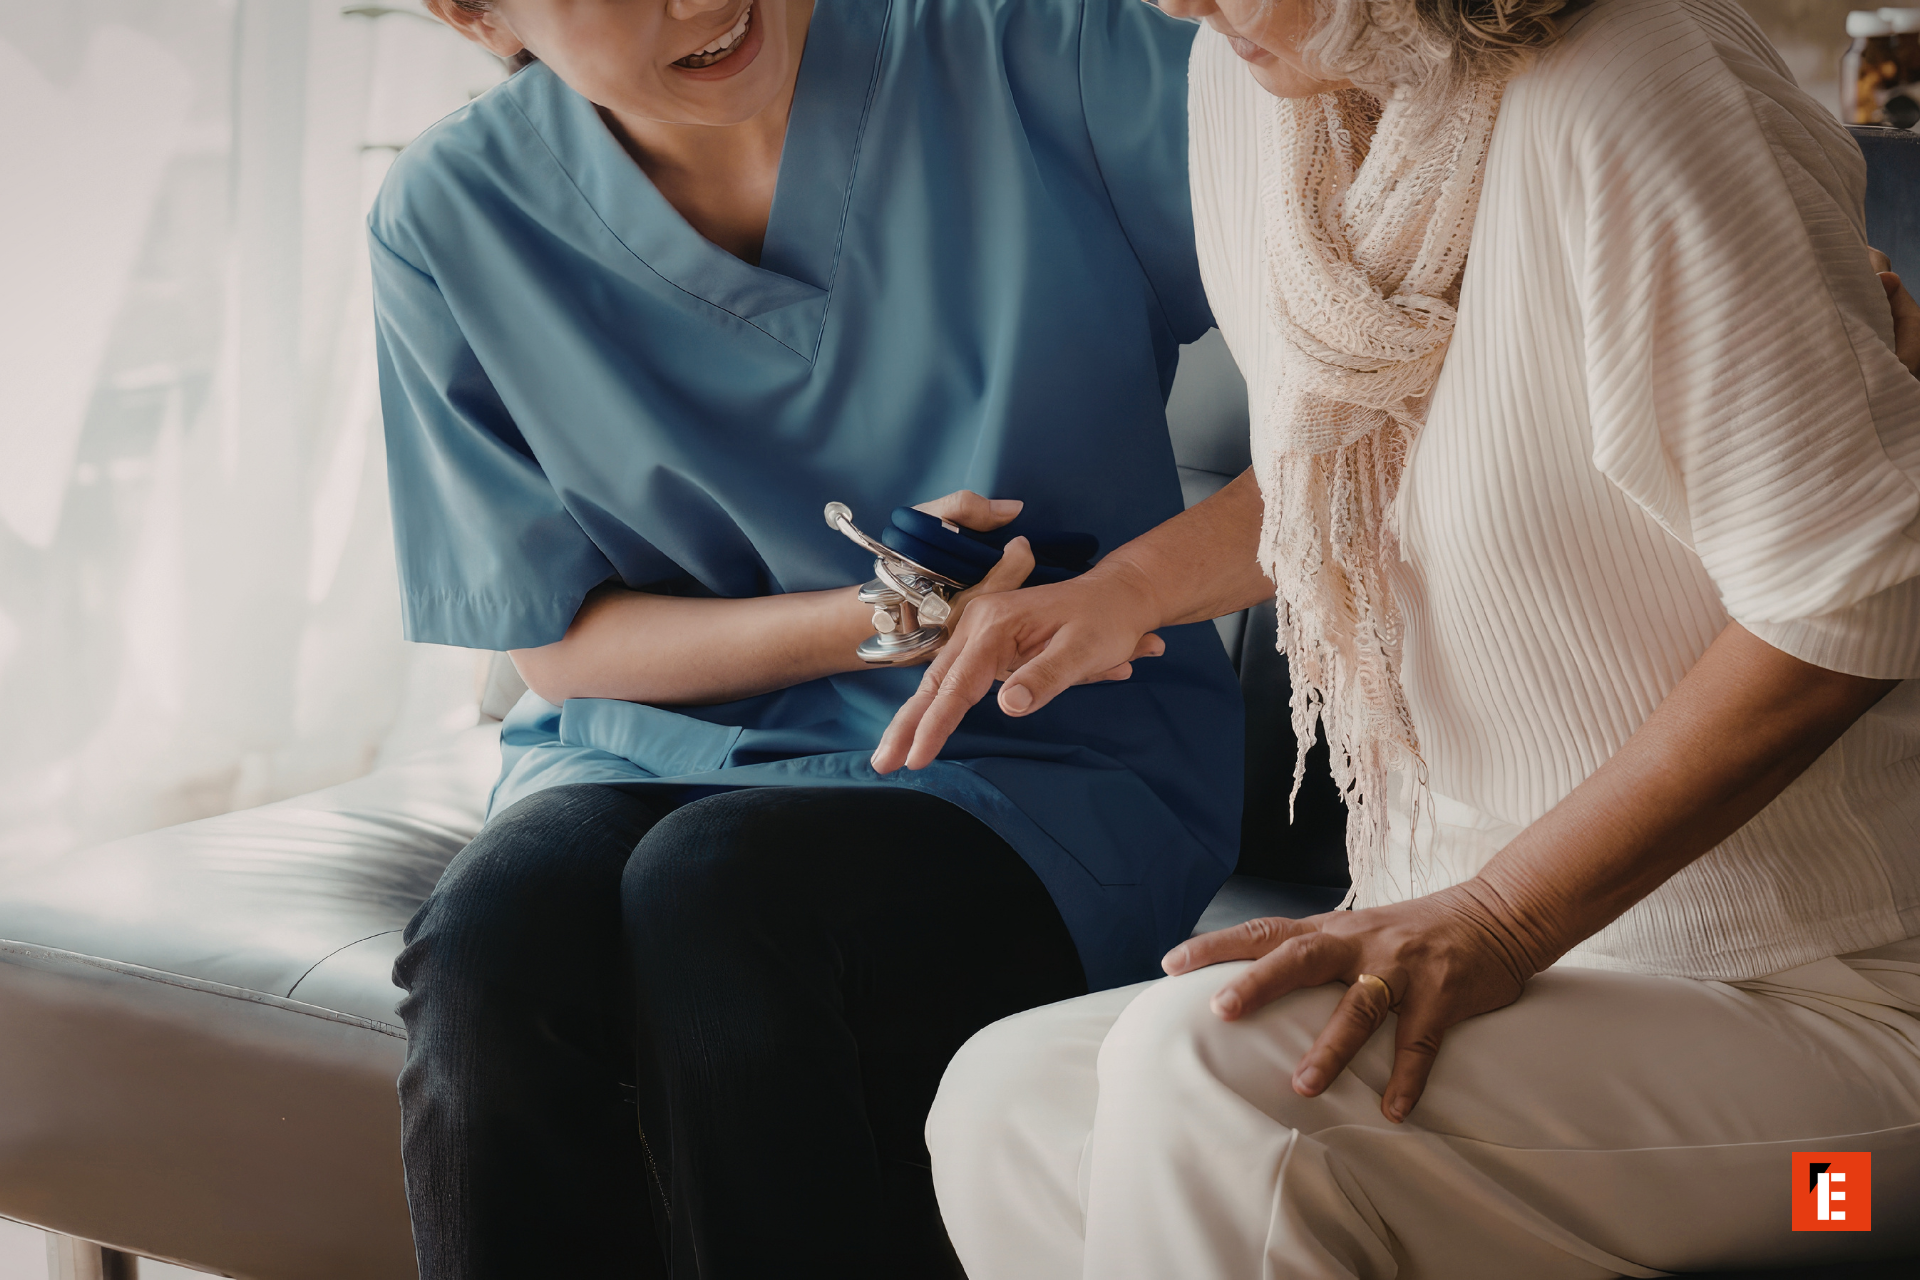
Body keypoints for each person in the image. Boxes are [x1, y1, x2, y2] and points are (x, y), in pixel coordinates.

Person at [888, 0, 1920, 1274]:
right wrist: (1130, 587)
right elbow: (1357, 451)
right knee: (1010, 1099)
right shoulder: (1254, 88)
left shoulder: (1641, 82)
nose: (1175, 5)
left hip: (1843, 1108)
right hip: (1509, 987)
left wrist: (1494, 915)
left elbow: (1849, 587)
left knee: (1216, 1086)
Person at [369, 1, 1244, 1277]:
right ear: (470, 12)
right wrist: (883, 618)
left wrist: (1129, 585)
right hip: (639, 749)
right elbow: (558, 648)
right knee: (491, 946)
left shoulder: (1046, 54)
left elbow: (1388, 367)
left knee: (723, 893)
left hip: (1040, 758)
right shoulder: (452, 215)